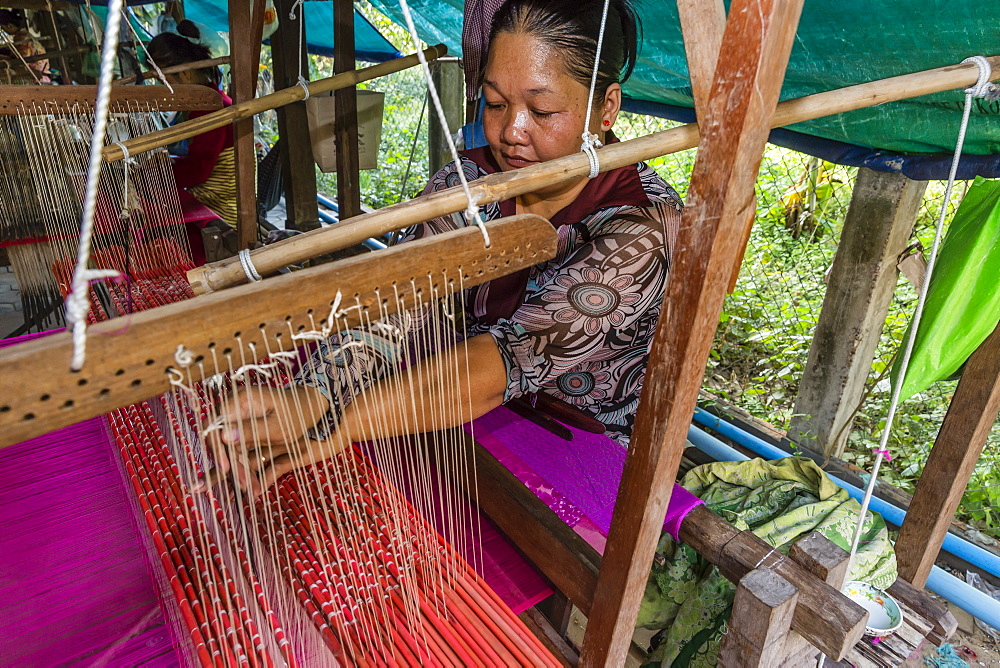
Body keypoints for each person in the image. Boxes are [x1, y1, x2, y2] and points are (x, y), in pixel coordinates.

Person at [204, 0, 682, 495]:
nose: (510, 132)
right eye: (495, 104)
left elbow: (505, 360)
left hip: (578, 456)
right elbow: (398, 301)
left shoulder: (643, 225)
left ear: (607, 107)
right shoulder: (468, 183)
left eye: (542, 110)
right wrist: (313, 394)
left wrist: (335, 427)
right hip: (451, 418)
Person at [147, 23, 238, 231]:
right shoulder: (212, 101)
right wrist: (167, 164)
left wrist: (152, 177)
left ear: (185, 75)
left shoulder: (210, 109)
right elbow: (203, 159)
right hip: (216, 201)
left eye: (165, 81)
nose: (164, 89)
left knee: (151, 227)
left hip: (221, 215)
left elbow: (199, 171)